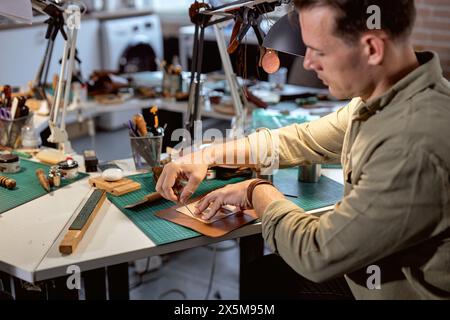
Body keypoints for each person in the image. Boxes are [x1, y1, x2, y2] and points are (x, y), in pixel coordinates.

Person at [156, 0, 450, 299]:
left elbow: (316, 253)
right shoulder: (381, 99)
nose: (307, 63)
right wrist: (208, 154)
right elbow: (302, 139)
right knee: (266, 275)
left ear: (373, 48)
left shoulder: (413, 143)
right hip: (365, 277)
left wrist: (255, 192)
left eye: (319, 51)